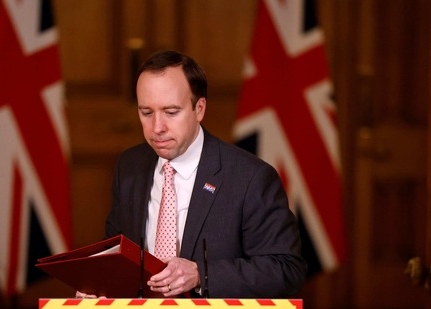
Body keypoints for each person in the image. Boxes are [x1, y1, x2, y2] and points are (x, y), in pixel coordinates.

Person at [80, 50, 306, 298]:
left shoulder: (251, 178)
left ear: (199, 109)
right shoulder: (130, 166)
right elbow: (116, 251)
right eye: (147, 113)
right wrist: (99, 284)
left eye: (171, 112)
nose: (157, 128)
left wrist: (201, 275)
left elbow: (286, 271)